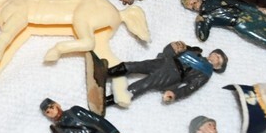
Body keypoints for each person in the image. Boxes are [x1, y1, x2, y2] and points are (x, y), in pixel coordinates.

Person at [92, 41, 227, 108]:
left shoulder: (205, 73)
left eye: (218, 60)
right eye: (216, 55)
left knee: (144, 85)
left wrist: (175, 94)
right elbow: (171, 51)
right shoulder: (195, 51)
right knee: (136, 65)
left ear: (217, 67)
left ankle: (106, 101)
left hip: (172, 75)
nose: (215, 58)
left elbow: (190, 88)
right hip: (166, 61)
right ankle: (106, 73)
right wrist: (174, 47)